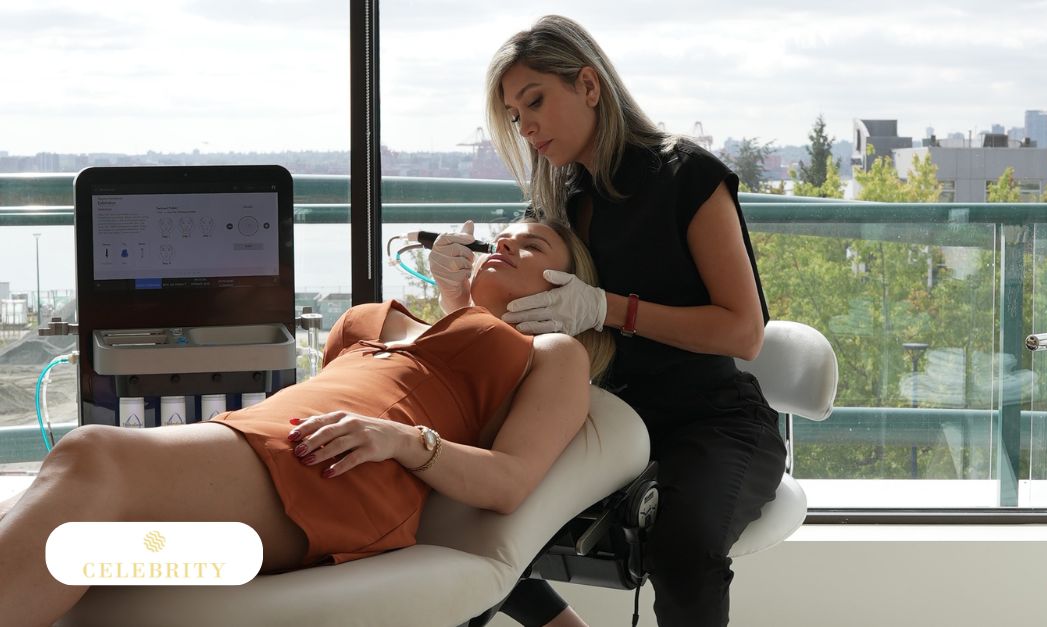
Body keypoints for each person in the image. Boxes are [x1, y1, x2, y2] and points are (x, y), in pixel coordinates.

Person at [0, 220, 611, 627]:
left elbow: (508, 482)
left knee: (92, 456)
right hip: (275, 446)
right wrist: (456, 304)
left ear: (565, 284)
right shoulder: (404, 323)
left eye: (530, 247)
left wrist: (402, 440)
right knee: (78, 548)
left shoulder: (552, 351)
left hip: (342, 471)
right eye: (500, 237)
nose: (503, 245)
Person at [429, 15, 789, 627]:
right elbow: (507, 328)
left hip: (712, 421)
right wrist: (454, 292)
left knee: (683, 555)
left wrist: (606, 308)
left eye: (536, 101)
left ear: (590, 86)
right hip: (604, 418)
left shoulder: (687, 177)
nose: (528, 126)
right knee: (469, 522)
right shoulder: (561, 201)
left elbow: (743, 332)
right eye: (516, 115)